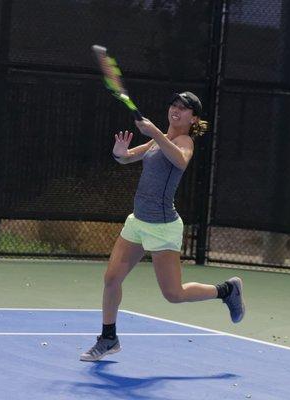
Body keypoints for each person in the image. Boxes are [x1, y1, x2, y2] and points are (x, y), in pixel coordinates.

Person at [80, 91, 245, 362]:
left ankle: (226, 290)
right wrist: (119, 153)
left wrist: (155, 132)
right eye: (174, 105)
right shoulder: (162, 140)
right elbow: (128, 157)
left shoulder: (184, 141)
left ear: (193, 118)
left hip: (163, 226)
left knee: (173, 294)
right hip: (138, 222)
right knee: (111, 279)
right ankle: (108, 337)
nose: (176, 110)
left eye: (184, 108)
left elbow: (180, 160)